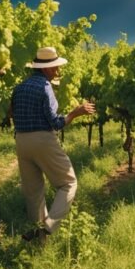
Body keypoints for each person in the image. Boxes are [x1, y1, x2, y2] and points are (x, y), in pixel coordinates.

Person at [11, 47, 94, 241]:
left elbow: (11, 113)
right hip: (42, 140)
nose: (57, 71)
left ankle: (38, 239)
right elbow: (56, 123)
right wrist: (75, 112)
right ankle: (48, 227)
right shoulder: (44, 87)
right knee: (68, 183)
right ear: (46, 69)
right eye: (55, 67)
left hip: (21, 141)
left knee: (33, 192)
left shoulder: (19, 87)